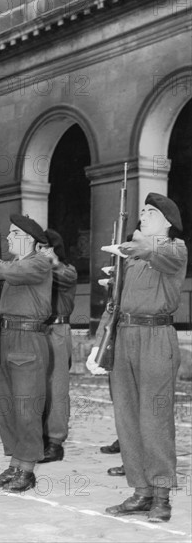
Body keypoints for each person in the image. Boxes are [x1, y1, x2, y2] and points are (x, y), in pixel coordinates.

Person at [86, 193, 187, 523]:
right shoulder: (129, 260)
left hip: (156, 337)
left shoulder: (174, 249)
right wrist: (100, 342)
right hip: (125, 336)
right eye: (142, 210)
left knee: (154, 417)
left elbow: (152, 251)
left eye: (150, 211)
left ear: (167, 222)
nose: (143, 214)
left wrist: (132, 247)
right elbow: (115, 304)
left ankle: (161, 495)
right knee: (126, 416)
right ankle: (141, 491)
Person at [0, 214, 53, 492]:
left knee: (26, 407)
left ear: (28, 238)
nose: (8, 238)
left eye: (13, 233)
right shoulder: (12, 268)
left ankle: (28, 470)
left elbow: (14, 272)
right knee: (7, 406)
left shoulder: (39, 263)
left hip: (28, 339)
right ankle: (15, 464)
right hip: (7, 337)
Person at [36, 228, 77, 463]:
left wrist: (50, 260)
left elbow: (62, 276)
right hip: (38, 329)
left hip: (58, 330)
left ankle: (55, 441)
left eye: (44, 247)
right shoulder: (38, 269)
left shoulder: (66, 270)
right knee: (38, 385)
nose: (39, 252)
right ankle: (40, 436)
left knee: (57, 389)